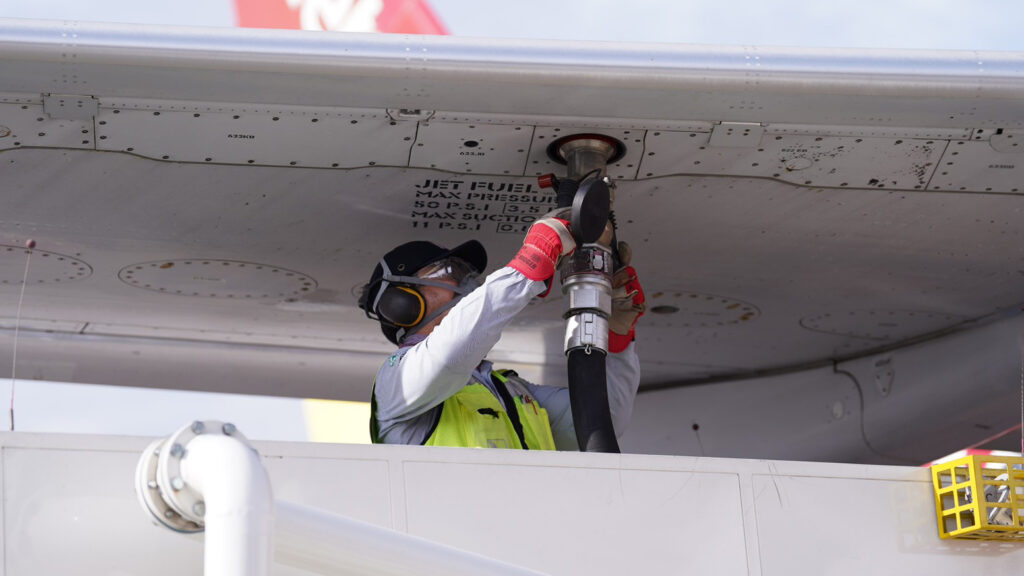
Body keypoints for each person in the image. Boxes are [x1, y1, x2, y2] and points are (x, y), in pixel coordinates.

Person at [358, 215, 644, 450]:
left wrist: (615, 336)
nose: (464, 281)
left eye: (463, 271)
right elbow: (451, 353)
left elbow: (605, 420)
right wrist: (531, 263)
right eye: (447, 271)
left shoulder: (512, 392)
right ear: (401, 304)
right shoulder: (396, 381)